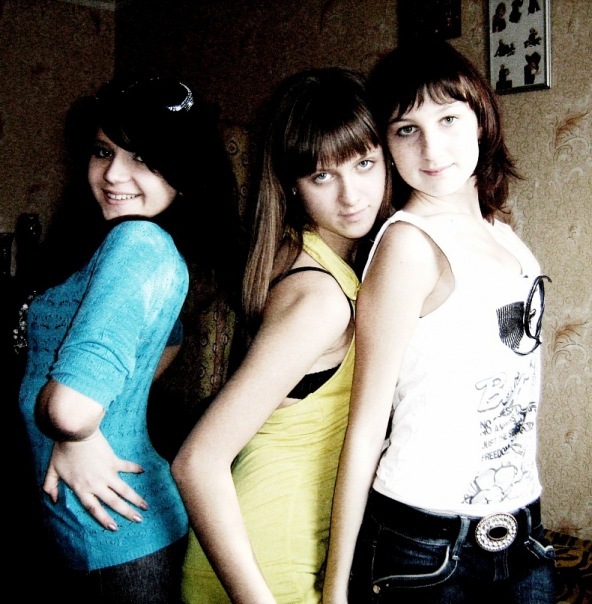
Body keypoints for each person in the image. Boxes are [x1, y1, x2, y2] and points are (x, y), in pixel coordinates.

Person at [323, 41, 558, 603]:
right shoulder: (408, 244)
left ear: (480, 119)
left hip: (523, 530)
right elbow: (366, 426)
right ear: (386, 143)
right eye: (407, 129)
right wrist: (336, 587)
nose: (431, 148)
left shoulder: (504, 234)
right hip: (426, 548)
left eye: (448, 119)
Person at [172, 66, 392, 603]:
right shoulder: (320, 299)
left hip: (278, 544)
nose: (351, 195)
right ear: (293, 185)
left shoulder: (305, 254)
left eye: (364, 164)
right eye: (322, 176)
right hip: (269, 559)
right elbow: (196, 462)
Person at [18, 76, 240, 604]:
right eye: (104, 151)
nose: (114, 174)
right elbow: (168, 340)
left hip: (114, 533)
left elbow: (70, 411)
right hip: (107, 525)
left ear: (183, 170)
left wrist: (76, 430)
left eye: (144, 157)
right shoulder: (132, 242)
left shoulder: (137, 242)